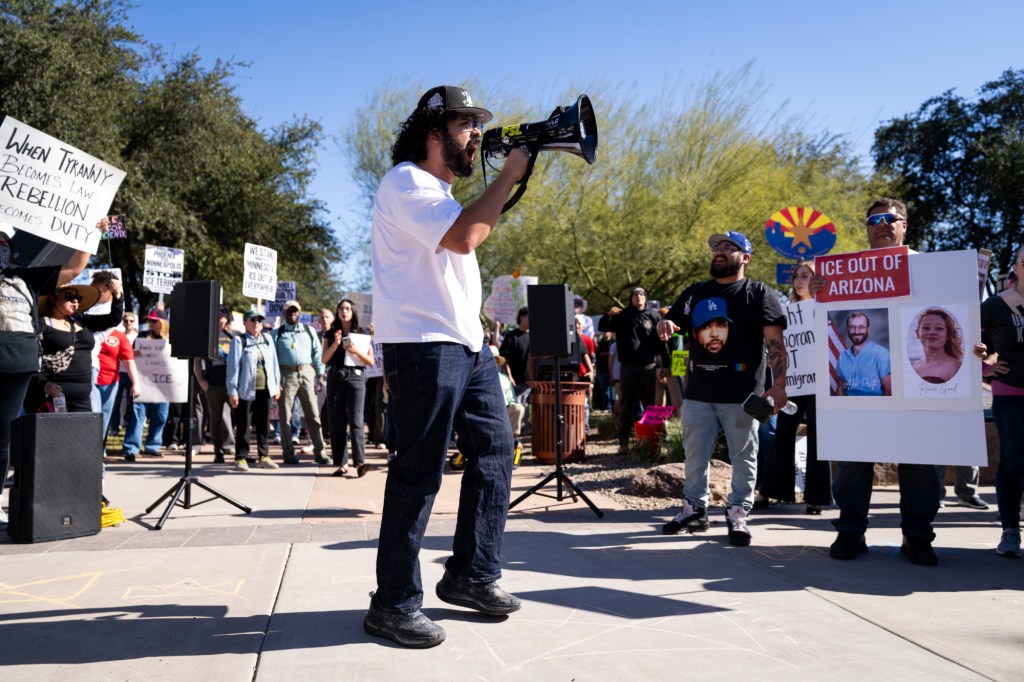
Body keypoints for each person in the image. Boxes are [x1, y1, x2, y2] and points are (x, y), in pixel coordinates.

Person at [363, 85, 529, 648]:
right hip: (423, 346)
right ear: (434, 133)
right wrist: (509, 174)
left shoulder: (440, 193)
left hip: (467, 345)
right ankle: (393, 603)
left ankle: (471, 574)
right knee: (419, 472)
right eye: (466, 126)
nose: (476, 135)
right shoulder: (405, 182)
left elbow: (465, 237)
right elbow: (464, 238)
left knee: (497, 450)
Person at [813, 198, 942, 566]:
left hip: (918, 384)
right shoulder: (846, 271)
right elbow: (818, 316)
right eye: (875, 220)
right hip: (861, 396)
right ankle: (851, 532)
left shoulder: (931, 268)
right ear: (867, 228)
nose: (882, 225)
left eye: (891, 219)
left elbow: (955, 316)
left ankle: (917, 537)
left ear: (905, 226)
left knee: (919, 463)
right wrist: (818, 292)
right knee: (853, 462)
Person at [658, 230, 788, 546]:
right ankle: (694, 510)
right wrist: (667, 325)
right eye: (717, 247)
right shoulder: (694, 293)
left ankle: (738, 514)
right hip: (699, 392)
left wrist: (780, 385)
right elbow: (673, 323)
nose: (719, 251)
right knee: (694, 455)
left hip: (742, 395)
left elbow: (776, 344)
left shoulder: (759, 294)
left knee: (744, 456)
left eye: (729, 247)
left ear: (745, 257)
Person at [0, 218, 108, 531]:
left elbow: (74, 269)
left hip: (18, 363)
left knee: (3, 437)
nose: (1, 248)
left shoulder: (27, 277)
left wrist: (94, 233)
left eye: (5, 243)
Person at [761, 261, 831, 514]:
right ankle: (771, 491)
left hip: (819, 383)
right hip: (792, 383)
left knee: (818, 438)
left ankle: (816, 496)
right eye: (797, 276)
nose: (800, 280)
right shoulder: (786, 313)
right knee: (782, 434)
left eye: (806, 275)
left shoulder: (825, 309)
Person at [911, 307, 988, 509]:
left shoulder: (957, 365)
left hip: (960, 407)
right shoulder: (914, 366)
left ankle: (967, 493)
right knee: (934, 448)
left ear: (948, 335)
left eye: (939, 328)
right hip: (928, 411)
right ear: (917, 332)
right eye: (926, 327)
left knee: (966, 446)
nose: (932, 332)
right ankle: (935, 493)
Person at [976, 244, 1024, 556]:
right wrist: (986, 369)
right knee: (1012, 463)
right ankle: (1010, 530)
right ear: (1017, 266)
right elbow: (964, 339)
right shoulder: (996, 305)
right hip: (1011, 395)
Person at [597, 286, 663, 450]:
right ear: (631, 298)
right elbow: (603, 327)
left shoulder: (653, 316)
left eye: (641, 294)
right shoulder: (623, 315)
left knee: (650, 404)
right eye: (634, 294)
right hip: (628, 367)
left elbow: (662, 343)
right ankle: (624, 442)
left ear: (645, 298)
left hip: (648, 366)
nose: (638, 296)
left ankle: (651, 442)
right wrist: (609, 314)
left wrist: (665, 365)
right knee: (627, 404)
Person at [271, 300, 329, 466]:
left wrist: (320, 374)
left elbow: (317, 354)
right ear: (284, 313)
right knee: (286, 417)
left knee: (313, 414)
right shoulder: (277, 333)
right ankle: (288, 454)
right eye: (289, 311)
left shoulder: (309, 331)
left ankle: (320, 452)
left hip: (306, 373)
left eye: (295, 311)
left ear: (300, 313)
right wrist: (276, 382)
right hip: (285, 374)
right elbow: (272, 360)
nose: (292, 314)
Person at [321, 298, 374, 477]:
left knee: (356, 420)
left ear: (353, 313)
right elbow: (324, 359)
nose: (344, 311)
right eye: (341, 308)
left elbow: (371, 361)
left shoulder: (361, 333)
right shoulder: (330, 334)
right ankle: (342, 463)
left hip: (356, 378)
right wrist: (336, 344)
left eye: (348, 308)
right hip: (336, 377)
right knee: (337, 421)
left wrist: (355, 351)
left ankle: (359, 463)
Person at [226, 310, 282, 471]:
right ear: (245, 323)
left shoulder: (267, 339)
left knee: (264, 424)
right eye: (253, 320)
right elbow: (233, 367)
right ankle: (241, 457)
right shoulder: (239, 341)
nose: (257, 322)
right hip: (246, 390)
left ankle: (264, 455)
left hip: (265, 389)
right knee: (244, 424)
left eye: (259, 320)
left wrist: (277, 385)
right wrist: (233, 390)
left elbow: (274, 364)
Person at [123, 309, 171, 461]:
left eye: (154, 321)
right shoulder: (142, 336)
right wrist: (134, 354)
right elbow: (131, 357)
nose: (151, 324)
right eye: (149, 320)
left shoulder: (171, 339)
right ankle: (131, 448)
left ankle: (153, 446)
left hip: (164, 383)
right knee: (138, 416)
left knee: (160, 415)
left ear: (163, 323)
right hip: (144, 382)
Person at [193, 305, 238, 463]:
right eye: (217, 313)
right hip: (213, 384)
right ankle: (218, 452)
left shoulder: (235, 335)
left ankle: (239, 451)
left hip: (233, 384)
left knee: (239, 417)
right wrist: (201, 381)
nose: (220, 315)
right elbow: (197, 362)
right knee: (216, 419)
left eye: (224, 312)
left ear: (228, 316)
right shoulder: (207, 335)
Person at [834, 311, 891, 396]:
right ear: (847, 329)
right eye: (852, 327)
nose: (856, 332)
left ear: (868, 329)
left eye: (861, 327)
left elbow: (889, 392)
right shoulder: (843, 356)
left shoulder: (882, 355)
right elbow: (841, 388)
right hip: (848, 407)